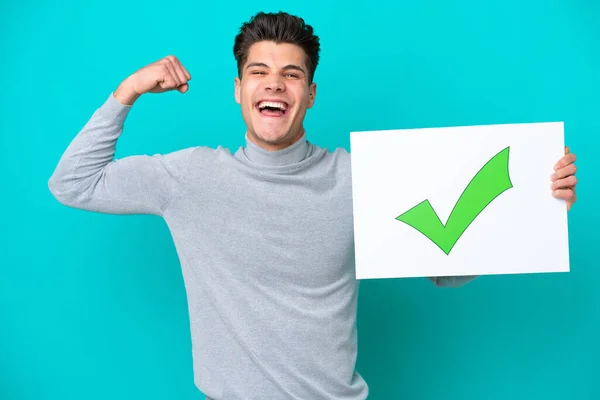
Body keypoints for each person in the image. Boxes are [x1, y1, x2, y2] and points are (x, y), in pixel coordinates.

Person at [48, 11, 578, 400]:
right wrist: (128, 91)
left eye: (291, 73)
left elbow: (447, 269)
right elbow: (73, 184)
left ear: (310, 93)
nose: (274, 82)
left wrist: (538, 208)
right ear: (238, 89)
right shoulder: (189, 177)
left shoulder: (360, 179)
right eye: (258, 71)